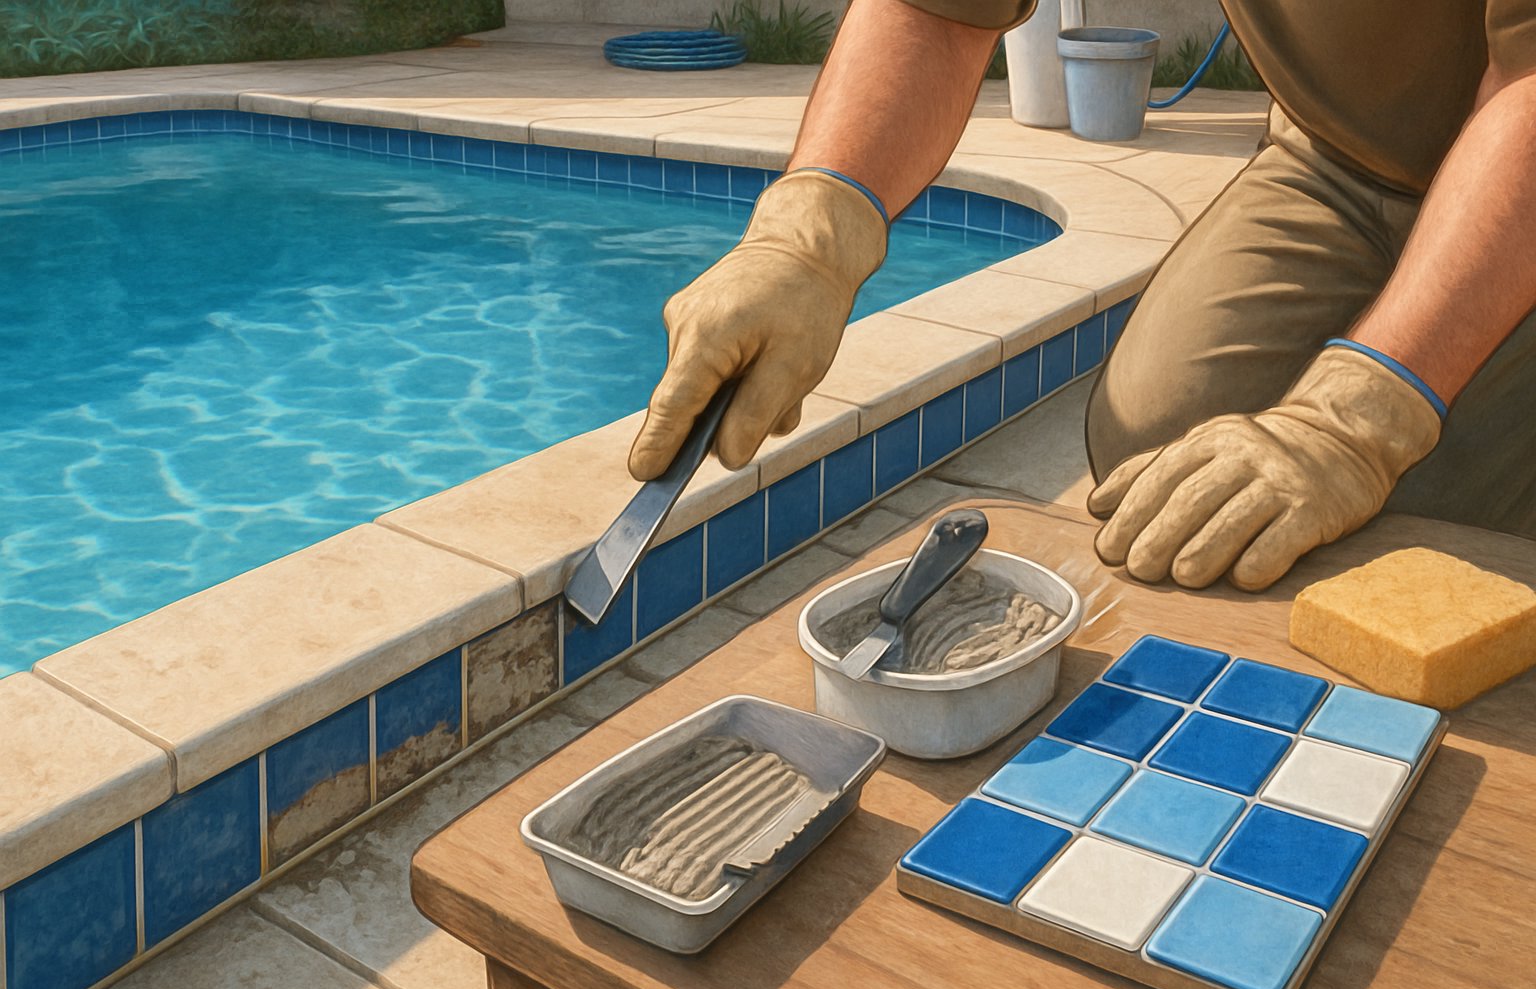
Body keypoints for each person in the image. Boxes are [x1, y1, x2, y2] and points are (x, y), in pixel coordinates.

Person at [626, 0, 1536, 591]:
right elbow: (937, 11)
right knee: (1161, 443)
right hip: (1338, 157)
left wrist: (1358, 417)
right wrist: (808, 240)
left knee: (1435, 516)